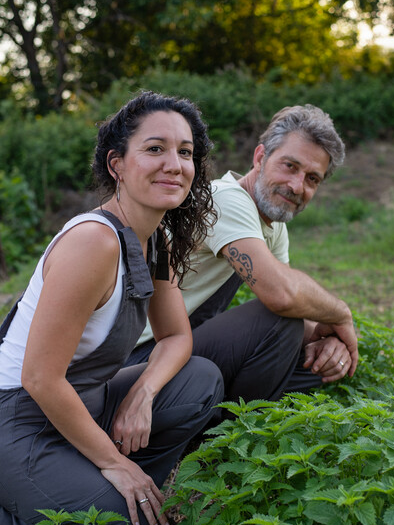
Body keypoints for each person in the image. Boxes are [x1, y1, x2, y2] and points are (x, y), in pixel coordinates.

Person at [0, 91, 224, 525]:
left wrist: (142, 394)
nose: (175, 164)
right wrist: (114, 461)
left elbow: (176, 338)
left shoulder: (154, 239)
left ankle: (100, 487)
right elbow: (38, 378)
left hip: (84, 404)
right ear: (117, 164)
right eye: (156, 149)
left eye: (185, 153)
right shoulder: (93, 243)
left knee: (199, 380)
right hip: (20, 419)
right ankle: (26, 510)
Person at [127, 104, 358, 402]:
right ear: (260, 157)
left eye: (312, 178)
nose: (297, 185)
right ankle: (223, 429)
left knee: (313, 363)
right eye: (290, 166)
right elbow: (281, 297)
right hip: (145, 358)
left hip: (181, 345)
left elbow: (294, 304)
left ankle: (230, 415)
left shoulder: (272, 225)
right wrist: (341, 314)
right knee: (279, 323)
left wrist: (327, 341)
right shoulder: (226, 200)